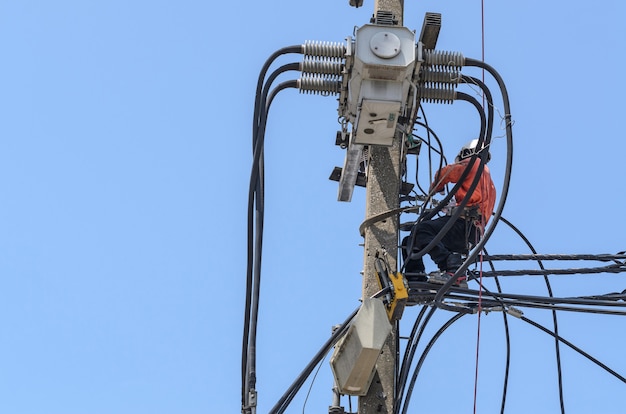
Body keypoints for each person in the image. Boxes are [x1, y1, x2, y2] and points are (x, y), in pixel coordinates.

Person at [401, 139, 496, 287]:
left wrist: (436, 187)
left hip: (462, 225)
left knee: (421, 230)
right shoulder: (487, 183)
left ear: (467, 153)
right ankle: (415, 279)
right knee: (410, 242)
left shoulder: (475, 164)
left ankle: (452, 269)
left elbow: (447, 172)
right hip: (470, 234)